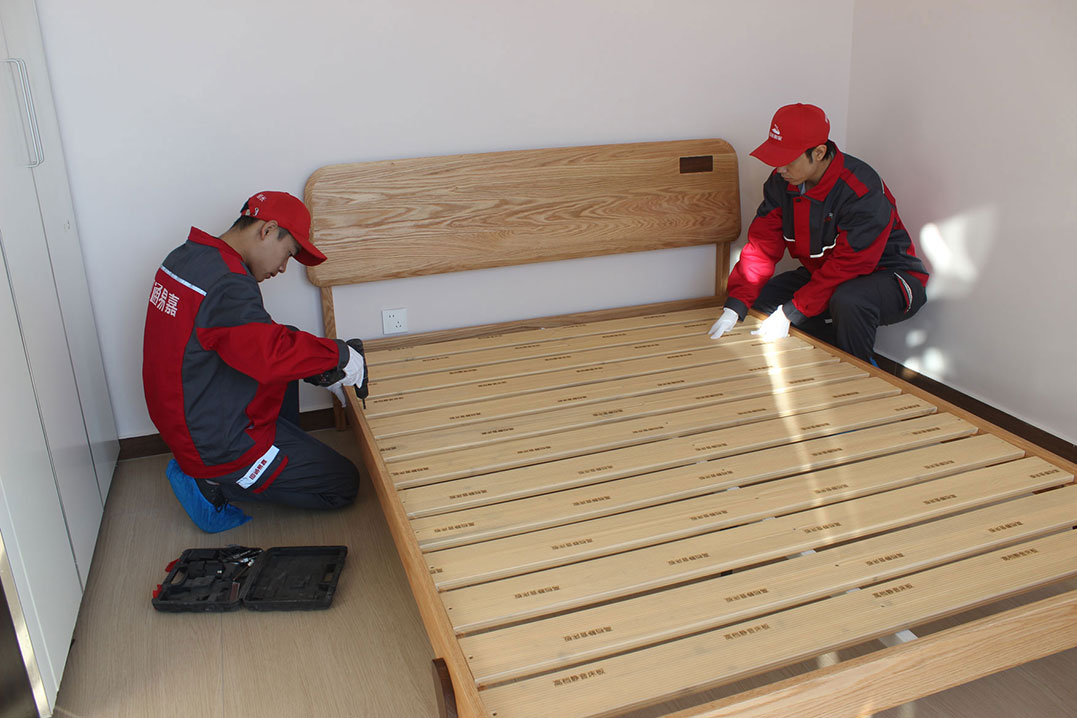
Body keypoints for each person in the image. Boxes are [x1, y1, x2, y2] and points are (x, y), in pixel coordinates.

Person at [143, 191, 364, 516]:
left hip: (187, 417)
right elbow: (270, 355)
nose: (283, 268)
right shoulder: (228, 282)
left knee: (283, 339)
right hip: (218, 443)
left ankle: (277, 452)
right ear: (268, 230)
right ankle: (217, 483)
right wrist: (339, 356)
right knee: (344, 483)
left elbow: (251, 338)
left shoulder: (187, 257)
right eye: (288, 253)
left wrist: (320, 368)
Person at [708, 103, 928, 362]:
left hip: (890, 278)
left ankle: (858, 370)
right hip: (827, 275)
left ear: (820, 152)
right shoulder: (781, 184)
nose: (780, 169)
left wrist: (791, 312)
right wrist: (735, 306)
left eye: (788, 160)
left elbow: (848, 266)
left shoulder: (861, 190)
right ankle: (825, 358)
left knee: (849, 300)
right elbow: (761, 247)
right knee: (763, 301)